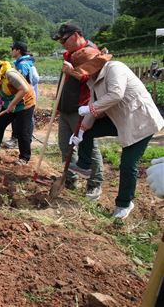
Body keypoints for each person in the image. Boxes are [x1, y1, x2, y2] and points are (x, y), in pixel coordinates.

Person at [67, 47, 164, 219]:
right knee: (89, 132)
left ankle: (124, 204)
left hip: (140, 120)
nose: (85, 74)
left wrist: (90, 108)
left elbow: (116, 94)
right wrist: (81, 130)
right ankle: (84, 165)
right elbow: (95, 106)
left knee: (128, 164)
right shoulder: (93, 79)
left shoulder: (115, 68)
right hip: (120, 119)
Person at [52, 23, 104, 200]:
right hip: (66, 108)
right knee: (65, 146)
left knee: (88, 147)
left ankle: (95, 184)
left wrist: (71, 71)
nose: (63, 44)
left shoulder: (91, 52)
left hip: (81, 109)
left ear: (76, 35)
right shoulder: (69, 54)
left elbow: (90, 77)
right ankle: (70, 180)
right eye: (60, 41)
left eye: (64, 40)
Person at [0, 53, 36, 165]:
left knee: (22, 130)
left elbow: (24, 89)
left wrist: (12, 104)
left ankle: (24, 158)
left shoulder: (9, 74)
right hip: (9, 104)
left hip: (25, 103)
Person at [4, 41, 40, 148]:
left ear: (18, 50)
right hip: (27, 95)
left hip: (24, 97)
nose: (11, 51)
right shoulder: (24, 62)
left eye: (13, 49)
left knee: (24, 121)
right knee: (24, 120)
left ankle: (23, 140)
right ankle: (22, 139)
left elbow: (21, 82)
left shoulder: (22, 64)